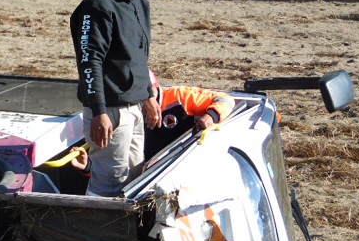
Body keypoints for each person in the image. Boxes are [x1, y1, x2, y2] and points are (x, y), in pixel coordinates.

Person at [71, 0, 161, 197]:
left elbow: (138, 56)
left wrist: (146, 94)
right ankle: (94, 234)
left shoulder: (139, 3)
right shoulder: (97, 6)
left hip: (134, 108)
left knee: (133, 178)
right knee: (108, 184)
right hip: (109, 112)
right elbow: (90, 62)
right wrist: (99, 112)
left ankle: (122, 234)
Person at [71, 70, 236, 173]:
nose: (144, 104)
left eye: (147, 96)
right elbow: (117, 168)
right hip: (152, 178)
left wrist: (211, 117)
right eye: (137, 99)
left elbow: (226, 99)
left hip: (189, 165)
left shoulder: (180, 97)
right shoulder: (123, 116)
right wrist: (88, 168)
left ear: (156, 88)